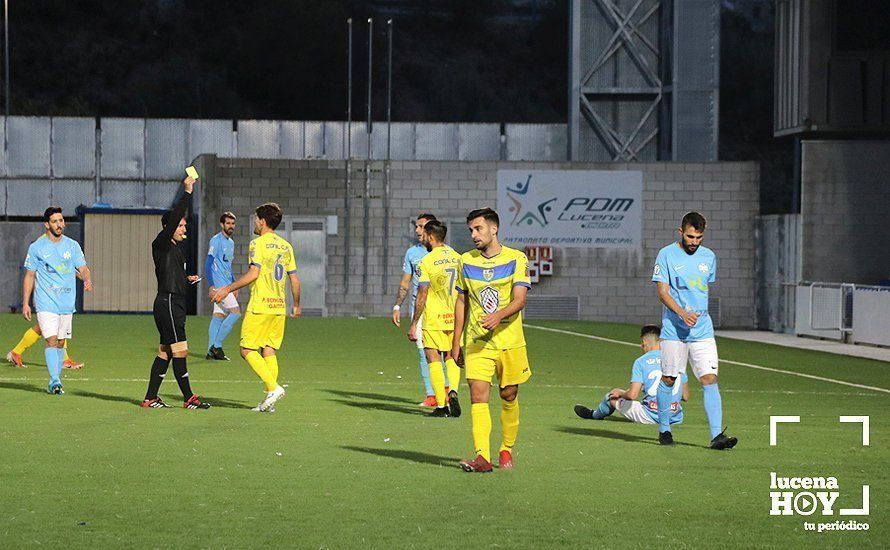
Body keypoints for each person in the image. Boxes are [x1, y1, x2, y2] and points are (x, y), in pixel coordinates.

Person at [452, 208, 532, 473]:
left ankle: (506, 449)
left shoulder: (516, 258)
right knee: (478, 396)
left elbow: (520, 300)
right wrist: (456, 343)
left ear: (493, 229)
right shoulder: (465, 260)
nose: (473, 235)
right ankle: (482, 457)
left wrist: (498, 316)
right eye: (471, 230)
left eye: (478, 229)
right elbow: (461, 300)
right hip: (477, 342)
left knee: (508, 394)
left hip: (510, 341)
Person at [652, 211, 737, 449]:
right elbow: (662, 292)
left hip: (703, 331)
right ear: (681, 232)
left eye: (699, 237)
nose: (694, 242)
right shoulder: (666, 254)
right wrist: (682, 313)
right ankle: (664, 429)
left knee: (710, 379)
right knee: (669, 379)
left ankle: (716, 435)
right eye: (690, 237)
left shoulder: (709, 257)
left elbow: (701, 290)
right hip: (674, 330)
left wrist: (695, 315)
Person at [212, 202, 301, 413]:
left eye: (255, 219)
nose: (254, 222)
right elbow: (295, 279)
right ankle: (270, 399)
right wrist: (296, 304)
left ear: (262, 221)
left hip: (261, 305)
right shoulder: (286, 246)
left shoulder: (257, 244)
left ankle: (273, 388)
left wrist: (227, 288)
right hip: (279, 306)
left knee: (246, 349)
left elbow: (254, 274)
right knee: (268, 349)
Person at [142, 176, 210, 409]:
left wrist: (186, 280)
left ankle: (150, 398)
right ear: (168, 226)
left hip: (173, 302)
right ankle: (189, 398)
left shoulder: (174, 250)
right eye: (180, 225)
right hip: (168, 302)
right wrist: (188, 191)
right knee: (181, 351)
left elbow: (172, 275)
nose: (184, 228)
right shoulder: (160, 243)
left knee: (166, 352)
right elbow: (174, 218)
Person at [21, 206, 93, 394]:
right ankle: (55, 381)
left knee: (61, 342)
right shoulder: (37, 247)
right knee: (51, 340)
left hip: (66, 304)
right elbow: (29, 275)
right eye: (55, 221)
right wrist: (26, 303)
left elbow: (83, 267)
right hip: (46, 302)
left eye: (61, 221)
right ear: (47, 224)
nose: (59, 224)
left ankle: (56, 379)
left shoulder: (72, 245)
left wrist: (86, 277)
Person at [573, 325, 689, 426]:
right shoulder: (676, 360)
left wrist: (621, 392)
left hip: (650, 417)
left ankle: (594, 415)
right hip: (674, 418)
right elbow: (685, 396)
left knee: (612, 397)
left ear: (645, 342)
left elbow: (633, 395)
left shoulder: (641, 361)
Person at [392, 213, 452, 407]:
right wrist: (397, 305)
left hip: (442, 311)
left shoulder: (447, 253)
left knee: (444, 352)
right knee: (424, 353)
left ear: (431, 231)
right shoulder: (412, 253)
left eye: (421, 227)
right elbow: (405, 282)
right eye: (416, 227)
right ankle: (432, 394)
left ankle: (446, 392)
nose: (417, 231)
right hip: (419, 309)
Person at [408, 220, 462, 418]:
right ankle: (453, 390)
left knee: (433, 358)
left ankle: (441, 405)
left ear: (431, 237)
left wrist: (414, 322)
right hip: (455, 317)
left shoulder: (427, 261)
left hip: (434, 319)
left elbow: (422, 293)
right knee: (451, 356)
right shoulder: (458, 258)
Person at [206, 212, 241, 360]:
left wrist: (234, 285)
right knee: (236, 313)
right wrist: (211, 285)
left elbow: (228, 266)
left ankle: (210, 351)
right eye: (228, 223)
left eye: (233, 223)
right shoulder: (216, 241)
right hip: (220, 286)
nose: (230, 226)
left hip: (227, 285)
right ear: (222, 224)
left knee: (218, 316)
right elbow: (208, 263)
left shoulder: (231, 243)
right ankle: (217, 346)